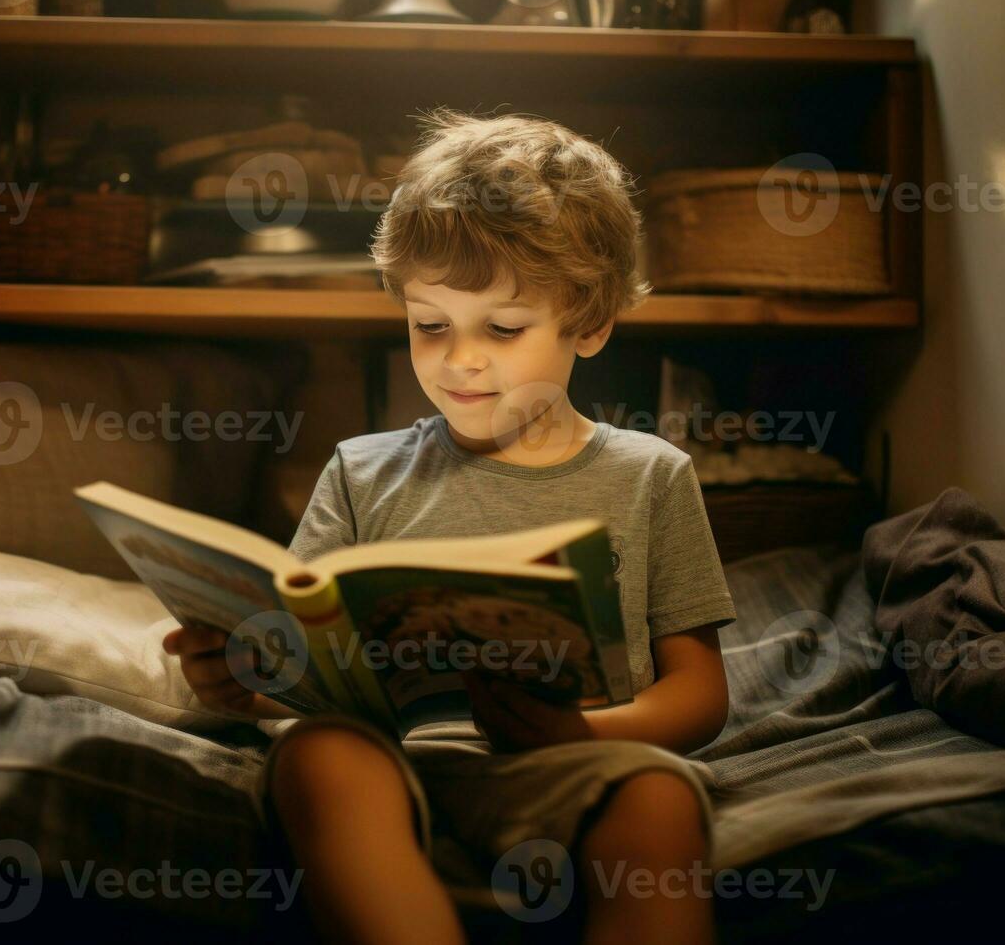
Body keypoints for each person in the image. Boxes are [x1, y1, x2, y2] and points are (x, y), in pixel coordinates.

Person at [164, 108, 736, 945]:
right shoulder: (361, 472)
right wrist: (235, 678)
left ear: (590, 324)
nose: (460, 359)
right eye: (431, 324)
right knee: (322, 755)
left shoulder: (650, 475)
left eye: (503, 329)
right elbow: (299, 654)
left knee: (658, 799)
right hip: (394, 766)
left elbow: (700, 693)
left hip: (578, 761)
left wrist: (583, 731)